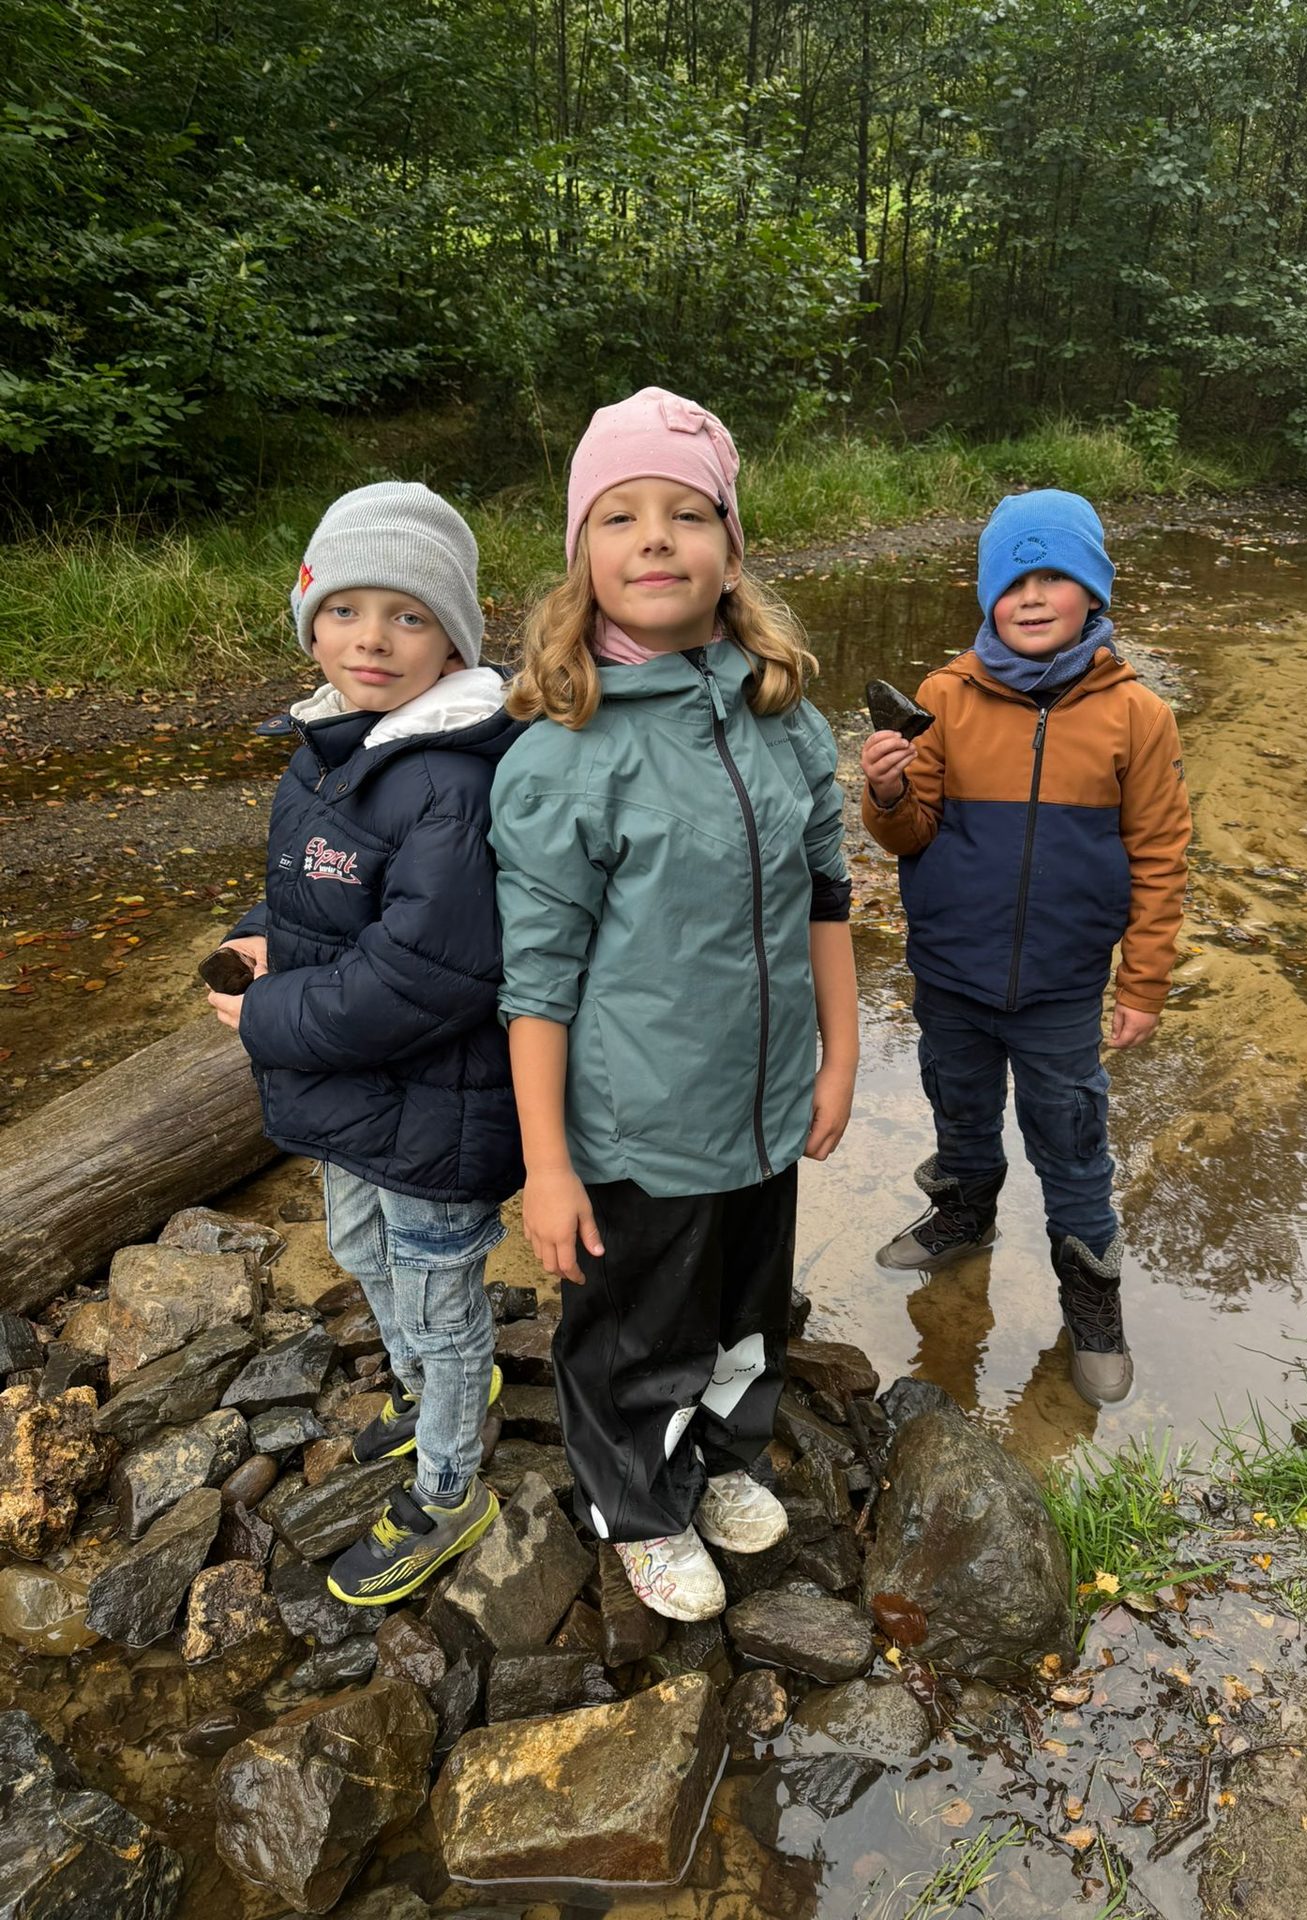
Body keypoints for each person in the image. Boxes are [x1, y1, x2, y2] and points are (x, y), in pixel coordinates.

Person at [489, 386, 858, 1622]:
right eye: (620, 516)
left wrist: (839, 1057)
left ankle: (726, 1452)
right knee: (635, 1330)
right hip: (637, 1128)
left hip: (762, 1104)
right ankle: (636, 1506)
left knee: (748, 1310)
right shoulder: (563, 755)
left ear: (732, 554)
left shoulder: (783, 719)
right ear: (584, 561)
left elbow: (826, 896)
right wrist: (548, 1166)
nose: (655, 538)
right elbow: (536, 983)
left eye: (688, 514)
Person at [207, 481, 525, 1604]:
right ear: (311, 622)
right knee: (359, 1246)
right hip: (353, 1096)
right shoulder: (327, 748)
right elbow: (308, 897)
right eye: (345, 610)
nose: (372, 639)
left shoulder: (454, 779)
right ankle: (423, 1385)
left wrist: (268, 1018)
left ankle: (450, 1487)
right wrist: (255, 937)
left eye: (408, 616)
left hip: (440, 1106)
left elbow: (430, 976)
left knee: (439, 1294)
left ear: (454, 640)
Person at [860, 489, 1190, 1407]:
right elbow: (909, 834)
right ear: (987, 596)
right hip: (951, 976)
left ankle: (1092, 1303)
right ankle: (963, 1220)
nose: (1033, 596)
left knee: (1074, 1147)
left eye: (1055, 577)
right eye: (1013, 581)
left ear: (1094, 592)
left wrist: (1144, 983)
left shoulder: (1139, 717)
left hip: (1061, 989)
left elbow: (1161, 855)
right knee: (960, 1115)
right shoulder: (943, 699)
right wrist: (884, 794)